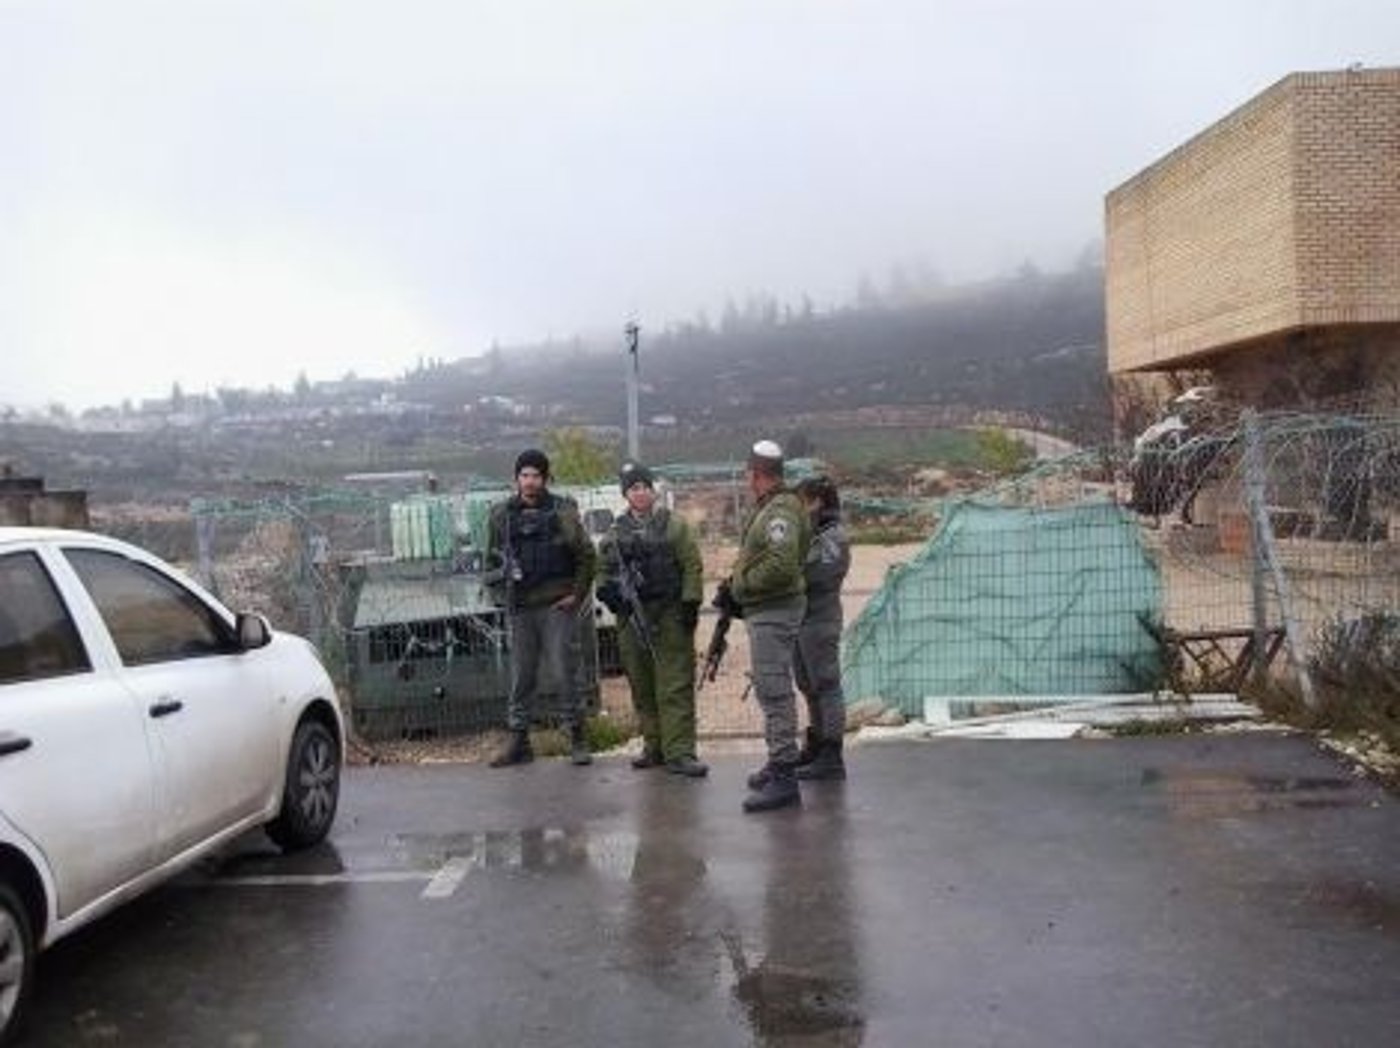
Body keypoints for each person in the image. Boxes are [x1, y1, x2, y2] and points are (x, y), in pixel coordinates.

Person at [485, 448, 597, 767]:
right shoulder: (501, 515)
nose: (530, 481)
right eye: (525, 475)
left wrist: (576, 594)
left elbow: (587, 556)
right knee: (522, 676)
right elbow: (490, 561)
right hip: (520, 608)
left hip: (556, 606)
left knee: (565, 673)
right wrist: (501, 594)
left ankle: (577, 736)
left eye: (536, 475)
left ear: (545, 478)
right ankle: (519, 741)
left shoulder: (562, 511)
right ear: (516, 479)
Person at [716, 439, 811, 813]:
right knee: (771, 688)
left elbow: (781, 565)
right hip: (768, 610)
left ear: (755, 474)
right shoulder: (773, 506)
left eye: (748, 474)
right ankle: (778, 761)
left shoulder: (780, 511)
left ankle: (785, 777)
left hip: (775, 610)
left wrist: (741, 586)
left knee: (774, 691)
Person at [597, 462, 708, 778]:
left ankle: (680, 752)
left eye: (645, 486)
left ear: (653, 490)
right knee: (642, 685)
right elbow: (602, 570)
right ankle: (654, 746)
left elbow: (691, 565)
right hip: (632, 619)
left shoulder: (674, 526)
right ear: (626, 494)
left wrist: (690, 603)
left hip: (670, 616)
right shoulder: (616, 533)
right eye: (634, 488)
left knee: (674, 685)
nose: (641, 493)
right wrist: (609, 594)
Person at [792, 476, 851, 781]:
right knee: (808, 684)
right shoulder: (812, 534)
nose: (799, 508)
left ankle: (832, 753)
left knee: (826, 686)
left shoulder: (833, 536)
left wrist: (790, 575)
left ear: (818, 502)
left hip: (820, 619)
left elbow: (821, 575)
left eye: (803, 501)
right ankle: (816, 743)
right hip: (802, 618)